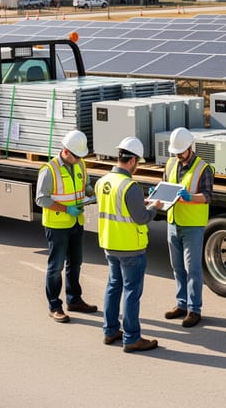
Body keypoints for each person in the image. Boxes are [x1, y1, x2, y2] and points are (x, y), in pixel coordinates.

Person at [95, 137, 163, 352]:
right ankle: (132, 338)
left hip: (110, 243)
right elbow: (141, 218)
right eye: (138, 162)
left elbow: (117, 207)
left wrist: (139, 203)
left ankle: (110, 331)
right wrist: (155, 207)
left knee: (113, 287)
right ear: (133, 160)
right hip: (130, 247)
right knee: (132, 292)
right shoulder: (130, 186)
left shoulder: (102, 181)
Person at [35, 130, 98, 323]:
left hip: (76, 222)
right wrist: (66, 209)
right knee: (56, 267)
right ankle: (55, 306)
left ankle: (74, 299)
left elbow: (85, 184)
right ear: (66, 151)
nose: (79, 160)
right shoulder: (49, 170)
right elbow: (41, 199)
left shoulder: (80, 164)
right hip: (57, 225)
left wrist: (91, 193)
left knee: (75, 263)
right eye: (76, 156)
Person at [161, 127, 214, 328]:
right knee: (177, 267)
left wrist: (190, 198)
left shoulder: (203, 168)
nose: (177, 155)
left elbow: (208, 196)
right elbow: (166, 186)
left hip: (192, 225)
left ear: (190, 147)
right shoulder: (171, 163)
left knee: (193, 269)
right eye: (175, 152)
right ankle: (181, 304)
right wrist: (158, 192)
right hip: (173, 222)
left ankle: (194, 309)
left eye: (180, 152)